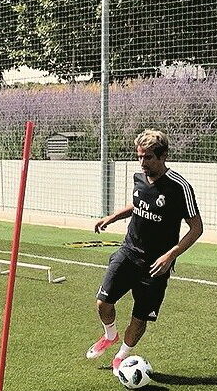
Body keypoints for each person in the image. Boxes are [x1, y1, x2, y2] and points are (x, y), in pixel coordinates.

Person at [87, 129, 203, 373]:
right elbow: (139, 203)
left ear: (163, 156)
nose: (142, 163)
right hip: (128, 252)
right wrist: (113, 217)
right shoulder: (139, 177)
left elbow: (196, 228)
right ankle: (110, 335)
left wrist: (170, 255)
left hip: (156, 265)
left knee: (139, 318)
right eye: (139, 156)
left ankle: (122, 356)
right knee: (102, 303)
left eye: (148, 157)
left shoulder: (179, 187)